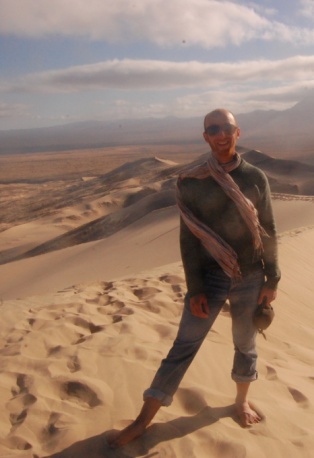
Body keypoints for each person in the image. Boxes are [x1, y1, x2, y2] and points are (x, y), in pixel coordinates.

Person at [108, 108, 281, 448]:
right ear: (205, 136)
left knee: (246, 343)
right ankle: (144, 419)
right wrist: (195, 289)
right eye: (212, 129)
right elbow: (188, 238)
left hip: (250, 276)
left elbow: (269, 228)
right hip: (210, 279)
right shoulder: (192, 180)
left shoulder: (255, 177)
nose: (220, 134)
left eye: (226, 128)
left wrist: (272, 278)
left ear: (237, 132)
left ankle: (241, 401)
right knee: (183, 347)